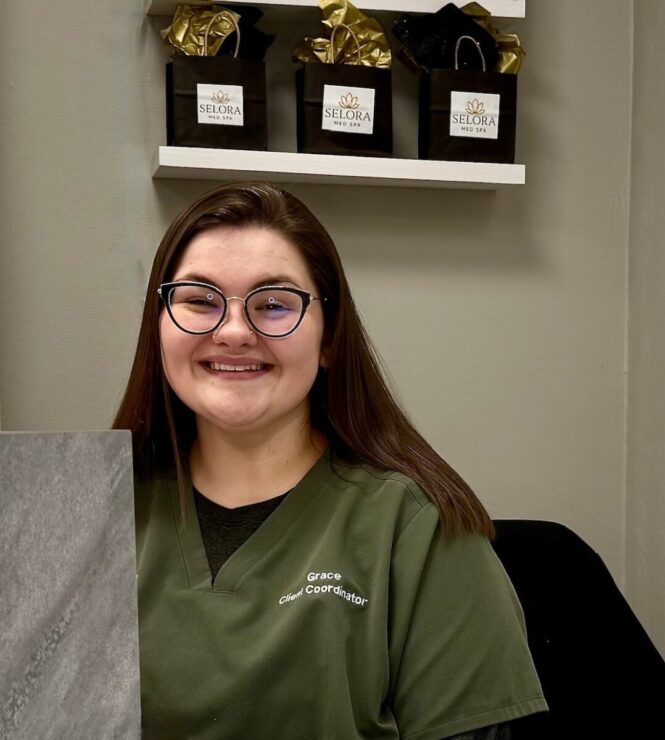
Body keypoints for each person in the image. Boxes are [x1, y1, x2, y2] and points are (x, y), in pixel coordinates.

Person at [114, 182, 548, 739]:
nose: (234, 332)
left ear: (329, 339)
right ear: (160, 327)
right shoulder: (95, 519)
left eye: (273, 305)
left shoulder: (420, 528)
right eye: (199, 300)